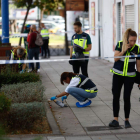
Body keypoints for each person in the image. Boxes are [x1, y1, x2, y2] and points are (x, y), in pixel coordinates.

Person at [109, 28, 140, 128]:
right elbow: (116, 58)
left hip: (130, 76)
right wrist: (124, 50)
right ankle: (115, 120)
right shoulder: (120, 44)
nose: (133, 42)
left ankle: (127, 120)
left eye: (135, 40)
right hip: (118, 75)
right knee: (116, 96)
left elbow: (139, 66)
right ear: (127, 39)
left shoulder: (137, 49)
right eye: (131, 40)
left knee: (127, 97)